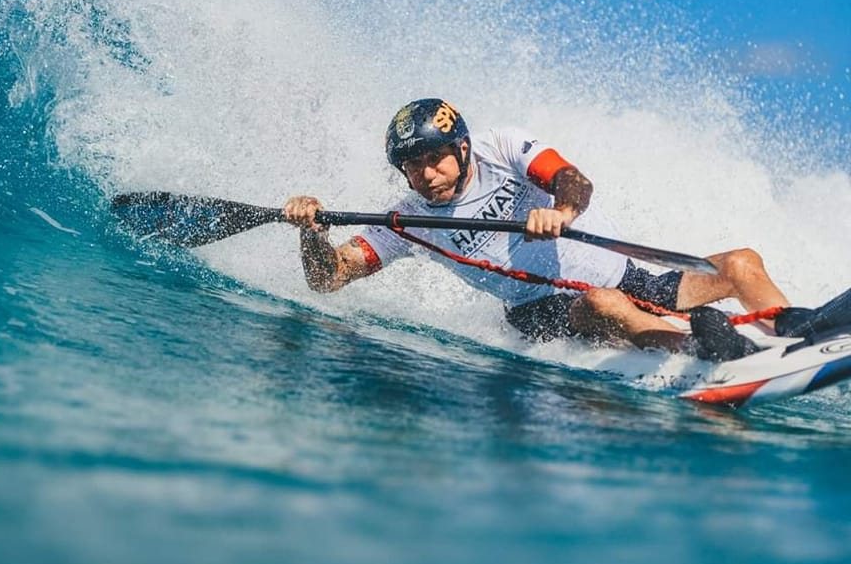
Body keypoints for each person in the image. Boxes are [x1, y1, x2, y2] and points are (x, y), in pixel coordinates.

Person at [283, 98, 794, 361]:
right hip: (545, 314)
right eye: (412, 166)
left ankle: (795, 333)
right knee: (602, 303)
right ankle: (707, 355)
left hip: (631, 277)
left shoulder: (501, 146)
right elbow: (329, 278)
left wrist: (563, 213)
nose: (426, 174)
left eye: (435, 158)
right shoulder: (405, 222)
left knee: (739, 263)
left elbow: (573, 180)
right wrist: (311, 232)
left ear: (461, 149)